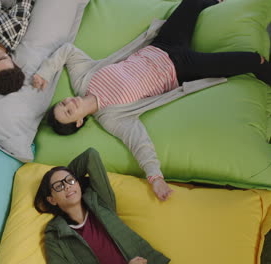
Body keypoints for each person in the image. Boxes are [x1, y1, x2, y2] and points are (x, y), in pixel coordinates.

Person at [32, 0, 270, 201]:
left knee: (192, 2)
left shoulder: (83, 79)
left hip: (163, 45)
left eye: (62, 104)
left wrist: (44, 73)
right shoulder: (112, 117)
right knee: (252, 60)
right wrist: (155, 178)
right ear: (79, 122)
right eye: (68, 112)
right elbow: (139, 142)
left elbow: (67, 51)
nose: (67, 104)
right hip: (182, 67)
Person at [34, 148, 170, 264]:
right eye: (59, 186)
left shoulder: (100, 201)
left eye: (70, 180)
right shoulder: (55, 235)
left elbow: (90, 156)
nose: (67, 186)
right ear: (52, 200)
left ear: (78, 184)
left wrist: (65, 174)